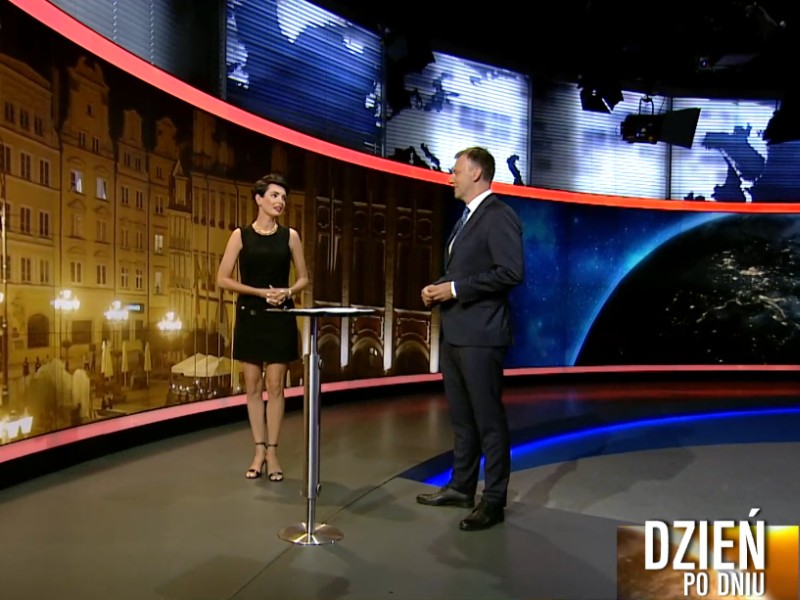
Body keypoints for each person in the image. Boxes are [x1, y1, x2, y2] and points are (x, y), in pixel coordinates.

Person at [416, 147, 524, 531]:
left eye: (456, 171)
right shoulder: (467, 219)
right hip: (457, 333)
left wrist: (455, 289)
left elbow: (511, 272)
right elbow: (466, 270)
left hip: (482, 336)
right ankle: (462, 487)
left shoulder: (499, 215)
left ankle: (493, 500)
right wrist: (439, 288)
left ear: (476, 173)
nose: (451, 177)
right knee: (462, 419)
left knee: (488, 421)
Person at [217, 173, 308, 481]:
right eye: (274, 195)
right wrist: (257, 292)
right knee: (253, 386)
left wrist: (288, 291)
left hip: (280, 314)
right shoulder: (240, 235)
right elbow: (222, 278)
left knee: (276, 386)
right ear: (259, 199)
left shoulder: (290, 236)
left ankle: (272, 452)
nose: (280, 201)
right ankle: (258, 450)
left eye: (283, 197)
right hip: (251, 314)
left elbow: (304, 278)